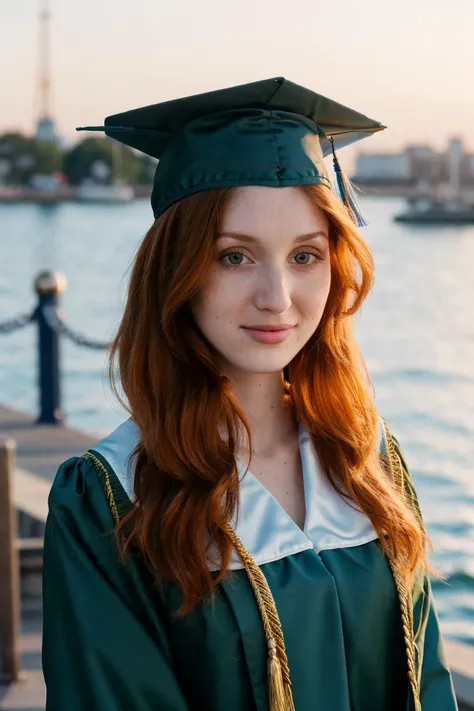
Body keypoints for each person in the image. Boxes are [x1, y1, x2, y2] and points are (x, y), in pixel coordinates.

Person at [42, 77, 458, 711]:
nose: (278, 298)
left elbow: (424, 682)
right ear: (177, 272)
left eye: (305, 256)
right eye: (234, 257)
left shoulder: (369, 461)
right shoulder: (110, 502)